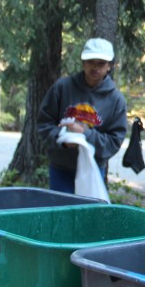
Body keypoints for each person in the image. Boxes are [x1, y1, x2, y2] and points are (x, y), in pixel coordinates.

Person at [37, 37, 128, 194]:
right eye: (91, 61)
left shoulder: (116, 99)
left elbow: (114, 142)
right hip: (61, 167)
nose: (95, 67)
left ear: (109, 66)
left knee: (89, 209)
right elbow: (43, 125)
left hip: (93, 169)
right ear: (83, 62)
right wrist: (63, 140)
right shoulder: (62, 87)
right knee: (61, 208)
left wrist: (85, 134)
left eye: (101, 63)